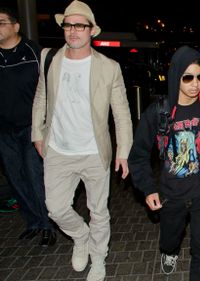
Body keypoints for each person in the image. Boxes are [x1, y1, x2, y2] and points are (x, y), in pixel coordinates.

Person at [31, 1, 133, 280]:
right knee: (55, 208)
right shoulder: (48, 58)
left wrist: (123, 152)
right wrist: (37, 134)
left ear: (91, 31)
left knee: (98, 210)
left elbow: (122, 113)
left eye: (80, 25)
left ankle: (98, 258)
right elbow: (41, 97)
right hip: (57, 151)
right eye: (68, 25)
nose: (73, 31)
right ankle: (80, 236)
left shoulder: (109, 67)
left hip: (94, 152)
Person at [128, 46, 200, 281]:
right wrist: (148, 189)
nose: (195, 84)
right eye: (188, 77)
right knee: (169, 239)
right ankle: (169, 252)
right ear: (176, 76)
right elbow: (138, 155)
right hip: (171, 193)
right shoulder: (159, 112)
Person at [0, 7, 56, 245]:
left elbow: (49, 91)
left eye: (1, 22)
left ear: (16, 26)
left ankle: (48, 224)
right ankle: (33, 221)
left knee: (35, 176)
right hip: (4, 129)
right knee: (16, 178)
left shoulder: (34, 52)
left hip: (31, 128)